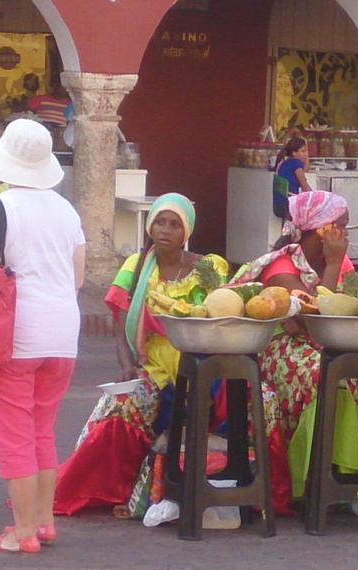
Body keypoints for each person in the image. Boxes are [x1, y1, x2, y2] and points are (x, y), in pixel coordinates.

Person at [52, 193, 245, 518]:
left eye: (174, 224)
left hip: (202, 367)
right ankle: (110, 489)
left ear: (187, 232)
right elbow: (119, 326)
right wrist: (128, 368)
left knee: (252, 405)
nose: (165, 230)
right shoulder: (137, 267)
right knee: (119, 411)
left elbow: (223, 317)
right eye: (159, 222)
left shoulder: (208, 268)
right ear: (149, 226)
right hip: (153, 367)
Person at [231, 190, 358, 503]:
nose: (346, 234)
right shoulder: (281, 267)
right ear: (323, 230)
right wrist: (335, 262)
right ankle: (321, 482)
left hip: (331, 344)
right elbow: (314, 316)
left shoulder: (335, 263)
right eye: (341, 226)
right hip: (284, 349)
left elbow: (351, 304)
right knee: (326, 379)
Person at [0, 119, 86, 553]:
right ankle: (44, 520)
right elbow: (77, 276)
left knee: (13, 433)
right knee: (42, 430)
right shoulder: (67, 210)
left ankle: (23, 532)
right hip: (62, 333)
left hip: (12, 337)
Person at [272, 137, 311, 219]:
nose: (305, 154)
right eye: (303, 151)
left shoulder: (283, 163)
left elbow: (305, 170)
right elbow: (305, 187)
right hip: (289, 206)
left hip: (278, 206)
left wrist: (306, 156)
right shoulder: (295, 164)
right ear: (294, 153)